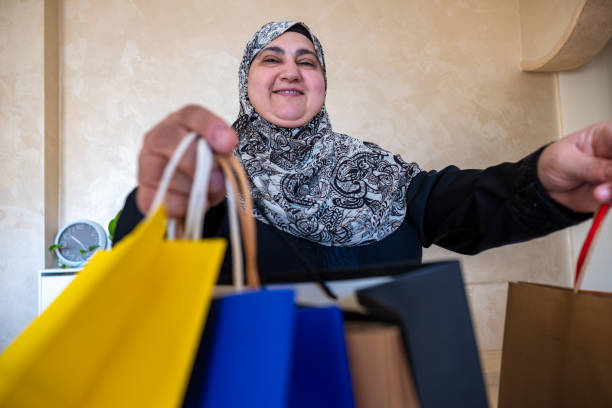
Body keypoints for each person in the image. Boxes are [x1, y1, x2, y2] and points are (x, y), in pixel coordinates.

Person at [114, 21, 611, 283]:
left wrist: (544, 178)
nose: (291, 72)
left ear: (322, 83)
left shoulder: (376, 172)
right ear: (246, 82)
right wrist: (157, 204)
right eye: (272, 59)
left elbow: (463, 204)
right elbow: (142, 274)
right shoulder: (210, 178)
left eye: (307, 62)